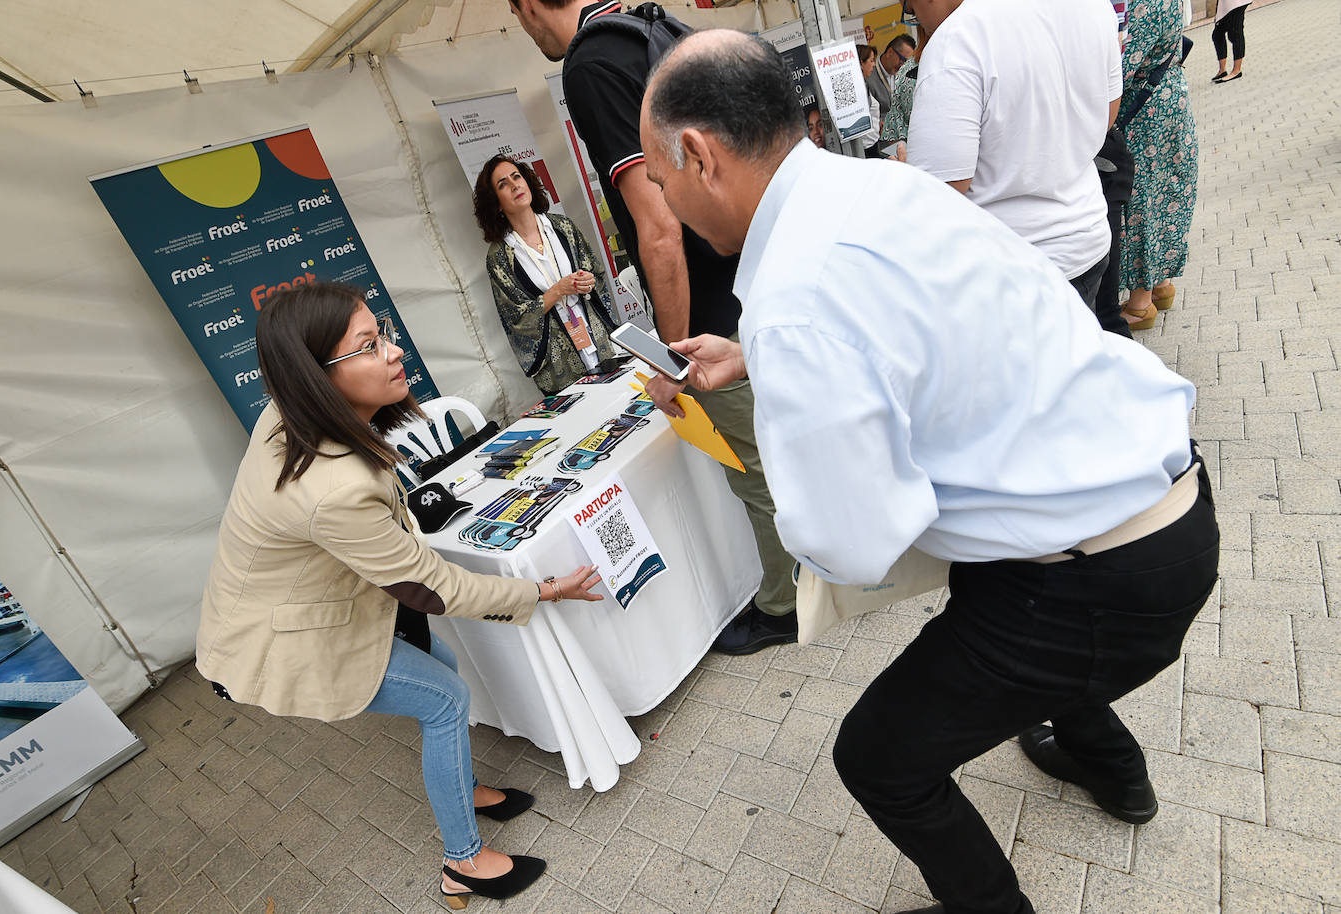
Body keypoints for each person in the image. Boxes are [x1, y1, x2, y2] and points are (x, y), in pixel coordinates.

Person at [639, 30, 1219, 914]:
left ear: (698, 155)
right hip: (1159, 504)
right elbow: (899, 323)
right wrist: (757, 353)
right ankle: (1113, 766)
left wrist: (791, 443)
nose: (666, 202)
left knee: (878, 755)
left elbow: (855, 542)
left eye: (657, 176)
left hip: (1093, 577)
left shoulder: (795, 298)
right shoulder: (874, 185)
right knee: (995, 616)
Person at [196, 282, 604, 909]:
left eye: (381, 333)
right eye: (368, 346)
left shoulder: (293, 414)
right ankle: (462, 862)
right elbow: (430, 586)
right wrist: (544, 590)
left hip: (301, 604)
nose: (392, 353)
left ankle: (460, 785)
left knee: (439, 670)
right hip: (285, 639)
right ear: (317, 376)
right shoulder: (334, 488)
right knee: (446, 699)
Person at [507, 0, 800, 654]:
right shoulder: (656, 28)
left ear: (528, 7)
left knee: (755, 473)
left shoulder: (592, 61)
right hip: (762, 286)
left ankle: (786, 607)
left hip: (714, 317)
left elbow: (659, 228)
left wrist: (669, 362)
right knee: (780, 454)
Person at [907, 0, 1122, 312]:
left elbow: (939, 193)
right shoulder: (1092, 5)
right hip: (1085, 239)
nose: (914, 16)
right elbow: (1106, 114)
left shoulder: (957, 40)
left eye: (910, 7)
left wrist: (907, 173)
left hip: (1009, 273)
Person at [473, 154, 622, 393]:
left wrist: (589, 281)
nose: (514, 185)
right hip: (557, 363)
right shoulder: (499, 257)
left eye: (516, 177)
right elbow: (514, 320)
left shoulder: (563, 227)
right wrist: (557, 291)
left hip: (598, 341)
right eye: (503, 184)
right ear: (497, 203)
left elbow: (596, 271)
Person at [1118, 0, 1199, 330]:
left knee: (1142, 202)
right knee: (1166, 193)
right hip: (1170, 97)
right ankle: (1161, 285)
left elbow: (1122, 66)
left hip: (1146, 109)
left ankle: (1140, 303)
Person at [1212, 0, 1249, 82]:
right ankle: (1222, 70)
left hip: (1236, 4)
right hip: (1226, 4)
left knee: (1235, 33)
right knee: (1217, 35)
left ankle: (1236, 70)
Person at [858, 44, 883, 158]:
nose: (873, 64)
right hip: (866, 149)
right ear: (861, 63)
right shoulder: (859, 89)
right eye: (871, 60)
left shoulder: (864, 84)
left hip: (872, 143)